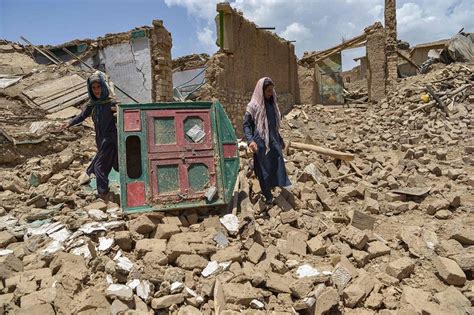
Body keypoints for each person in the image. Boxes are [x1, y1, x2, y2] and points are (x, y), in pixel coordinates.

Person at [61, 72, 119, 201]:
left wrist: (117, 111)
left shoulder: (111, 103)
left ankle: (103, 193)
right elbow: (82, 116)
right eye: (94, 88)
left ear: (103, 87)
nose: (97, 90)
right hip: (100, 139)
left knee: (99, 166)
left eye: (99, 87)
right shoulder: (91, 105)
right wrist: (69, 123)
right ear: (90, 89)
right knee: (111, 165)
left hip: (110, 139)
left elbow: (122, 115)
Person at [243, 77, 291, 204]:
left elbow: (273, 125)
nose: (271, 93)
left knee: (277, 163)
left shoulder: (272, 104)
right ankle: (267, 196)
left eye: (272, 90)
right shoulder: (253, 106)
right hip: (260, 142)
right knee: (264, 168)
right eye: (268, 91)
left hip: (273, 139)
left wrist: (280, 139)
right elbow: (246, 125)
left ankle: (275, 187)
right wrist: (250, 141)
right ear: (261, 91)